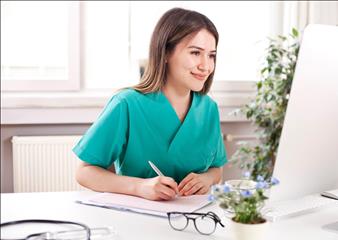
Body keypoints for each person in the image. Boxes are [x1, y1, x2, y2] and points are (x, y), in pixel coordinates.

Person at [73, 7, 227, 201]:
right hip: (138, 218)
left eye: (211, 55)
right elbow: (84, 172)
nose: (206, 66)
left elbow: (216, 169)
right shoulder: (127, 104)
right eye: (195, 53)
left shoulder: (209, 109)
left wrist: (206, 179)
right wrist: (140, 187)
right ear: (165, 53)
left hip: (194, 220)